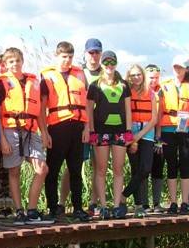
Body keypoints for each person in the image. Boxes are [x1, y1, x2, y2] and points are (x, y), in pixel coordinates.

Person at [0, 47, 48, 225]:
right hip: (11, 128)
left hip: (31, 129)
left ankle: (31, 209)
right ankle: (19, 211)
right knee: (14, 171)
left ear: (22, 61)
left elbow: (39, 111)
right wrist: (2, 139)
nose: (15, 64)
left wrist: (45, 132)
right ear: (5, 64)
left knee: (42, 169)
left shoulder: (33, 81)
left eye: (17, 60)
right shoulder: (1, 83)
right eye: (11, 61)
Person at [41, 41, 91, 223]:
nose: (67, 60)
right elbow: (41, 108)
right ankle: (53, 208)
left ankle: (78, 208)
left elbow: (87, 104)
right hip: (57, 127)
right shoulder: (47, 76)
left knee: (75, 170)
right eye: (64, 57)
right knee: (52, 170)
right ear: (57, 56)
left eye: (70, 57)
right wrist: (44, 132)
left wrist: (87, 127)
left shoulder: (80, 74)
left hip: (77, 126)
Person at [86, 50, 132, 219]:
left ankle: (117, 205)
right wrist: (91, 131)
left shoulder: (124, 85)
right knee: (101, 170)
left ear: (116, 64)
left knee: (118, 169)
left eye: (112, 62)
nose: (109, 65)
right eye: (106, 62)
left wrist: (129, 131)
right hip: (101, 132)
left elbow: (128, 109)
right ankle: (104, 206)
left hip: (120, 132)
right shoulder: (95, 85)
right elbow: (89, 110)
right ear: (102, 64)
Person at [60, 38, 104, 215]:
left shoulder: (107, 73)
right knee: (73, 166)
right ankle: (61, 202)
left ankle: (93, 203)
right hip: (81, 125)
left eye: (97, 52)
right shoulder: (78, 73)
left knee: (98, 166)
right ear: (85, 53)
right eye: (91, 52)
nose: (94, 55)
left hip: (101, 125)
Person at [157, 56, 189, 214]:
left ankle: (184, 202)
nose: (177, 69)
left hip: (187, 129)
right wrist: (158, 134)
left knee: (185, 164)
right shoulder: (164, 85)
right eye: (175, 66)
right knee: (171, 165)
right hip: (168, 129)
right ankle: (173, 202)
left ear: (186, 69)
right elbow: (159, 112)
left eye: (180, 67)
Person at [121, 64, 158, 217]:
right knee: (135, 169)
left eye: (138, 74)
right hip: (131, 130)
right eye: (133, 75)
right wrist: (132, 138)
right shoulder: (126, 92)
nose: (136, 77)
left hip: (147, 131)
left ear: (143, 75)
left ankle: (123, 195)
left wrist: (139, 136)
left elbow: (154, 118)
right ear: (129, 77)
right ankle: (138, 205)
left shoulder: (151, 93)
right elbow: (125, 114)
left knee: (146, 168)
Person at [0, 54, 15, 217]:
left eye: (3, 65)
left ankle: (10, 206)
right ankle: (0, 207)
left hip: (10, 130)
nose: (0, 68)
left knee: (10, 169)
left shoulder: (11, 84)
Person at [144, 64, 166, 212]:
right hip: (143, 134)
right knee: (143, 169)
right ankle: (144, 203)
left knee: (158, 168)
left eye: (157, 78)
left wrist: (158, 136)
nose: (154, 80)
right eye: (151, 77)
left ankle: (157, 203)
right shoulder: (139, 91)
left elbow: (161, 115)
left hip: (158, 135)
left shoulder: (161, 92)